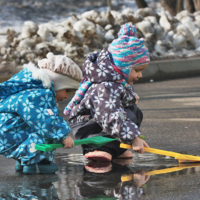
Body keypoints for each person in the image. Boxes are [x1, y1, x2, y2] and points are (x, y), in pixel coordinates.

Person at [64, 23, 150, 162]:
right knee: (124, 114)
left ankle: (116, 149)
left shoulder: (117, 80)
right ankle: (97, 148)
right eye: (137, 70)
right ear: (123, 67)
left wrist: (130, 98)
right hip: (87, 124)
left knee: (134, 111)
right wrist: (133, 137)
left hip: (102, 119)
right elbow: (111, 114)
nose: (140, 75)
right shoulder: (104, 86)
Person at [0, 52, 82, 174]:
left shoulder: (29, 89)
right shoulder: (39, 94)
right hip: (9, 132)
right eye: (67, 90)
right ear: (58, 83)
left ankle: (23, 160)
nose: (66, 96)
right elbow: (44, 120)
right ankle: (36, 164)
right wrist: (63, 136)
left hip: (7, 132)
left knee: (34, 129)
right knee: (45, 133)